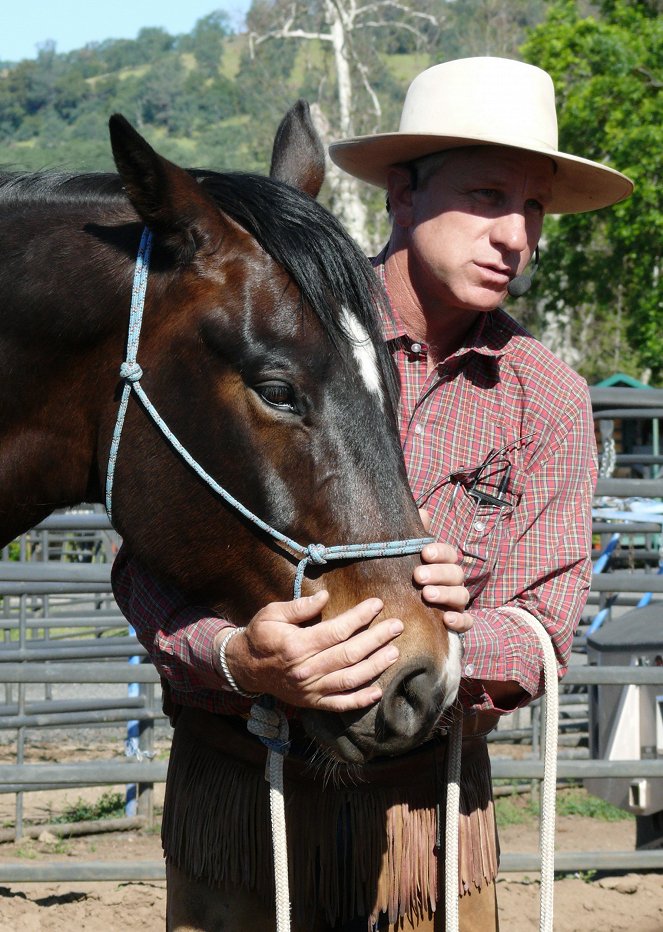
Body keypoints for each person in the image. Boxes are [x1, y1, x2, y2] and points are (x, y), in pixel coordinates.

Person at [112, 57, 633, 930]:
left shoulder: (546, 397)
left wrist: (458, 635)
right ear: (402, 193)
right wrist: (238, 657)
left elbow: (546, 624)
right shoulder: (266, 335)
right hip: (242, 796)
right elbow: (147, 563)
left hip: (429, 819)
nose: (515, 235)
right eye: (485, 196)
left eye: (533, 208)